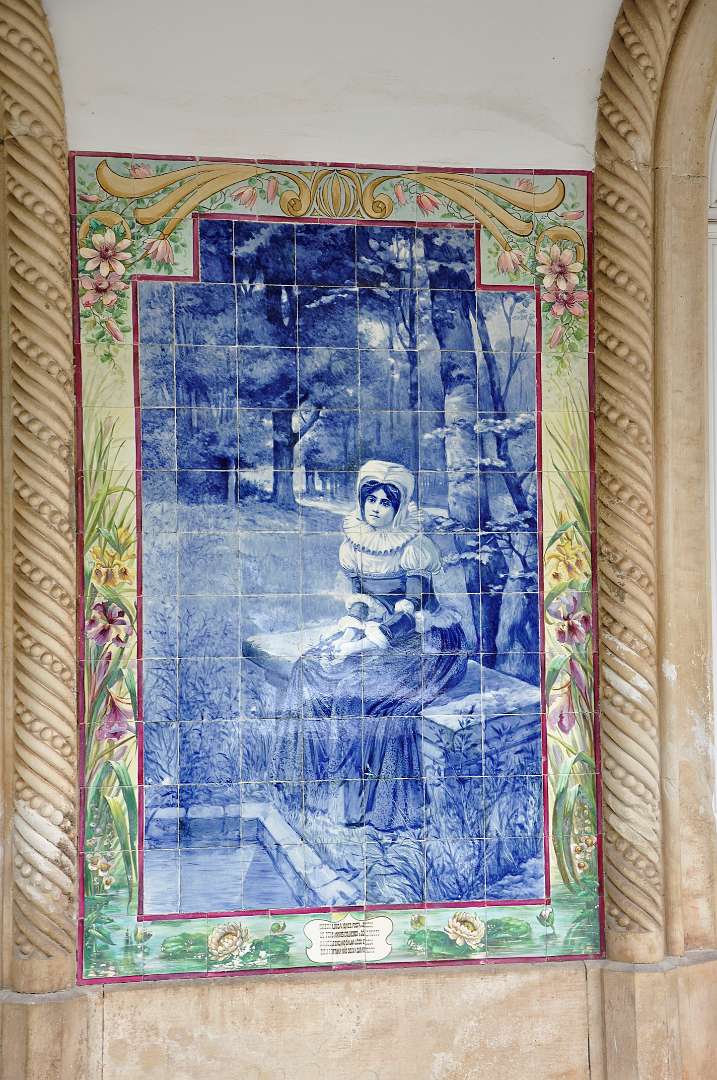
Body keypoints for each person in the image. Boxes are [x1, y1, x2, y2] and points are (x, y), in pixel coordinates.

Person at [281, 460, 467, 832]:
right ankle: (309, 787)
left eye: (386, 502)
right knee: (309, 666)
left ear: (399, 508)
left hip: (427, 638)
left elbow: (410, 611)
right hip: (376, 631)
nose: (376, 508)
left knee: (359, 693)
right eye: (371, 499)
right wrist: (348, 636)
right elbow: (359, 602)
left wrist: (357, 648)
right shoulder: (354, 544)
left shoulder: (414, 547)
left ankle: (363, 807)